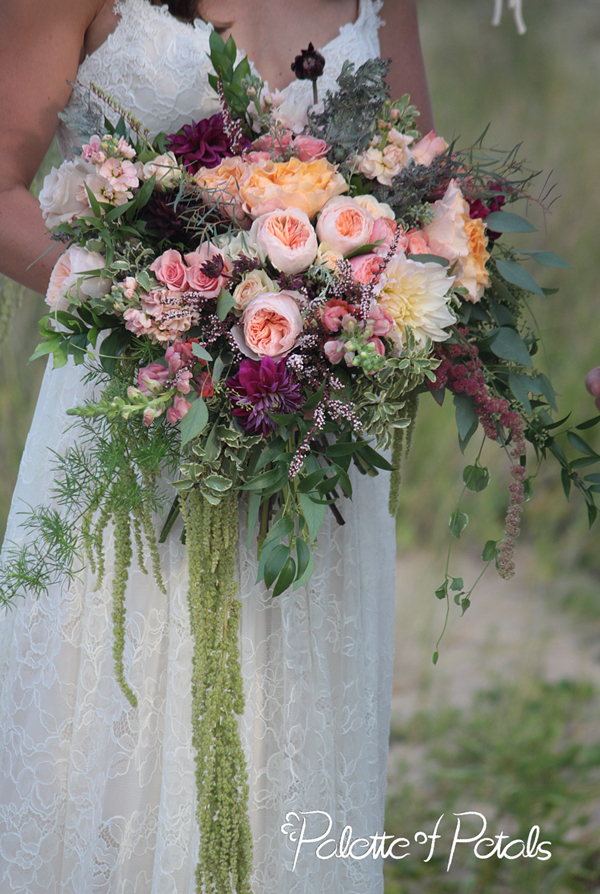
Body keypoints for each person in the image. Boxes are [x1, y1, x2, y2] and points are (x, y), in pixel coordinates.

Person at [0, 2, 433, 891]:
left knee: (291, 751)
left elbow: (427, 189)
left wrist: (388, 310)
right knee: (108, 755)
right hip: (136, 414)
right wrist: (127, 303)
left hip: (313, 447)